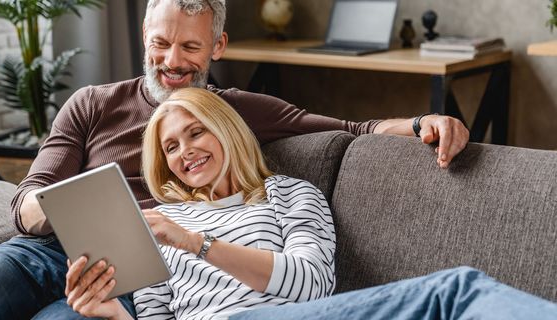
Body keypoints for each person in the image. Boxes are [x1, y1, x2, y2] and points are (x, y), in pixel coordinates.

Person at [0, 0, 468, 318]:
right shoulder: (92, 103)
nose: (172, 61)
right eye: (160, 43)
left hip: (140, 272)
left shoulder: (234, 111)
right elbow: (25, 199)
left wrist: (425, 123)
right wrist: (63, 208)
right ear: (144, 38)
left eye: (189, 46)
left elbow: (348, 130)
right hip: (48, 249)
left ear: (218, 46)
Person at [64, 87, 557, 320]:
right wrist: (111, 314)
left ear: (228, 129)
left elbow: (310, 285)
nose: (185, 151)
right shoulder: (163, 222)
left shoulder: (289, 194)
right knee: (456, 291)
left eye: (196, 132)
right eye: (170, 147)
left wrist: (197, 244)